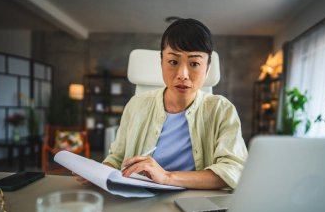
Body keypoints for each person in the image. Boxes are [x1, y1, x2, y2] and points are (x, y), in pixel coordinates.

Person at [75, 18, 248, 189]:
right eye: (173, 62)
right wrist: (97, 172)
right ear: (161, 63)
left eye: (194, 63)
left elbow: (234, 170)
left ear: (208, 68)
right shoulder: (136, 105)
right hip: (137, 199)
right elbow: (117, 159)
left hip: (195, 202)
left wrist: (167, 177)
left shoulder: (222, 109)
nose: (183, 74)